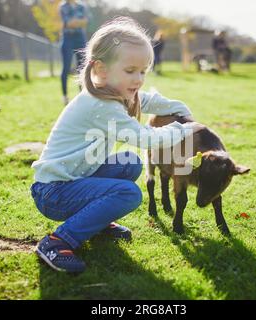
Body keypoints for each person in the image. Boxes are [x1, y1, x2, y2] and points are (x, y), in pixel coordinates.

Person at [30, 17, 206, 273]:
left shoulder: (113, 92)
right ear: (101, 70)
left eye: (143, 71)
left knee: (130, 163)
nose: (138, 79)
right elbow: (146, 138)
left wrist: (181, 110)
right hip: (54, 193)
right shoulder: (101, 105)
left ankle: (97, 223)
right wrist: (183, 129)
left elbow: (148, 100)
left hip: (73, 180)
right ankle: (57, 242)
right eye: (130, 71)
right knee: (129, 193)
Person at [60, 0, 89, 105]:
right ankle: (65, 96)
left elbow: (85, 21)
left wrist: (74, 22)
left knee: (82, 68)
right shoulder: (63, 6)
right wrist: (78, 22)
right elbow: (68, 23)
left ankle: (83, 95)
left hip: (80, 39)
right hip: (67, 39)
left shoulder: (82, 6)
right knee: (66, 68)